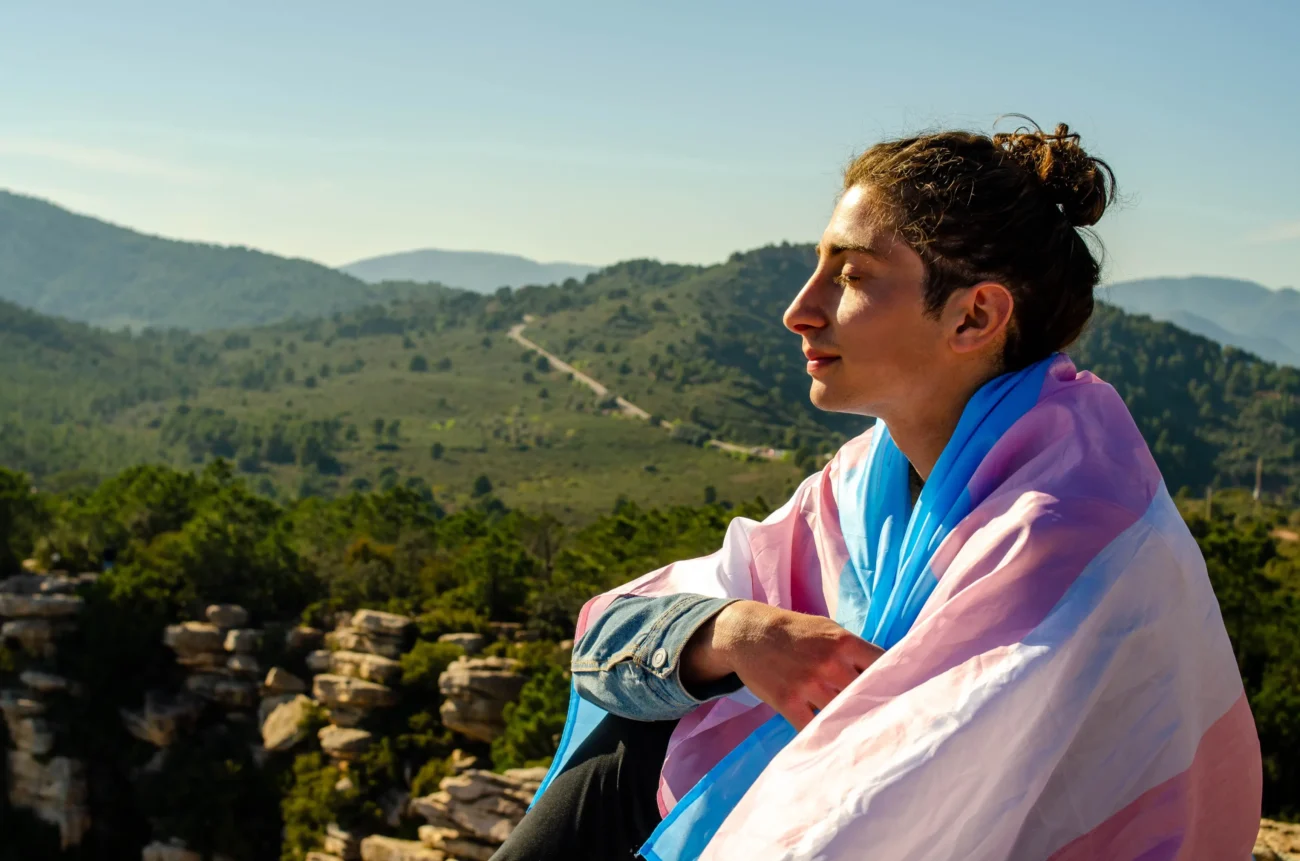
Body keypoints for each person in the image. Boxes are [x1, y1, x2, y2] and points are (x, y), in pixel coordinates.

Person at [492, 121, 1263, 861]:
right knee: (643, 728)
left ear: (976, 315)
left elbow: (892, 810)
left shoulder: (1065, 530)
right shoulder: (867, 485)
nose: (801, 309)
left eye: (852, 274)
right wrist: (740, 630)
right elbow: (612, 638)